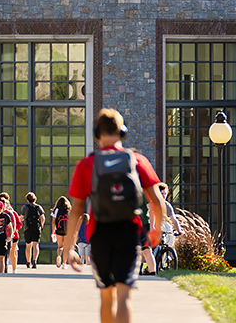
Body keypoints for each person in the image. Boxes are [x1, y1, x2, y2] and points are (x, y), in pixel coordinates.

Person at [63, 108, 164, 323]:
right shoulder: (137, 160)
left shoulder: (87, 165)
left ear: (96, 133)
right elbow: (157, 201)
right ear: (122, 133)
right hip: (128, 232)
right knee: (125, 296)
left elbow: (77, 210)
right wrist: (157, 229)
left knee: (106, 296)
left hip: (100, 234)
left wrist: (69, 247)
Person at [0, 194, 22, 273]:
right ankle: (3, 269)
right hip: (1, 235)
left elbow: (17, 224)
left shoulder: (11, 213)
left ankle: (13, 270)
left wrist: (12, 233)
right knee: (4, 254)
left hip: (13, 236)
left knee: (11, 253)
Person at [21, 192, 45, 269]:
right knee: (36, 245)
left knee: (28, 246)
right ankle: (34, 261)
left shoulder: (24, 207)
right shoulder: (39, 207)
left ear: (27, 199)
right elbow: (43, 218)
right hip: (36, 228)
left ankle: (28, 262)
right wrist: (41, 226)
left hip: (28, 228)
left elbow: (21, 218)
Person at [51, 196, 71, 268]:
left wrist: (53, 231)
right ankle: (64, 263)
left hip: (59, 230)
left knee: (60, 246)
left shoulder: (56, 210)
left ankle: (59, 256)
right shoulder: (69, 210)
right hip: (67, 231)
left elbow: (53, 222)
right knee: (66, 247)